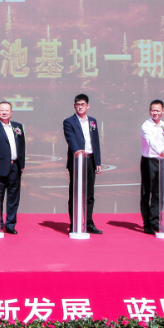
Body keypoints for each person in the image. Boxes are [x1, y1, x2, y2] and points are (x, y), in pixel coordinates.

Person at [63, 94, 103, 234]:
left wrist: (97, 161)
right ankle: (74, 224)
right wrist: (78, 151)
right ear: (74, 106)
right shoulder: (69, 121)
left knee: (89, 193)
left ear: (88, 106)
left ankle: (89, 223)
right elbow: (71, 139)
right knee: (75, 193)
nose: (80, 107)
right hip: (77, 160)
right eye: (78, 104)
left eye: (83, 104)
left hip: (90, 160)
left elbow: (96, 142)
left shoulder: (92, 121)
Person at [0, 101, 26, 234]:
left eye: (7, 110)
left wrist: (22, 164)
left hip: (15, 167)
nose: (4, 112)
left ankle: (10, 225)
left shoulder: (18, 127)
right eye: (1, 110)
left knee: (14, 198)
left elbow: (22, 147)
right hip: (0, 167)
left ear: (11, 112)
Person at [140, 100, 164, 235]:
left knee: (159, 192)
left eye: (158, 110)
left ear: (163, 111)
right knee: (147, 192)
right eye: (153, 110)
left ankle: (155, 221)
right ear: (149, 111)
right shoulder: (145, 126)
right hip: (149, 161)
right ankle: (147, 224)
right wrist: (160, 151)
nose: (155, 113)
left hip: (161, 160)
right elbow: (151, 141)